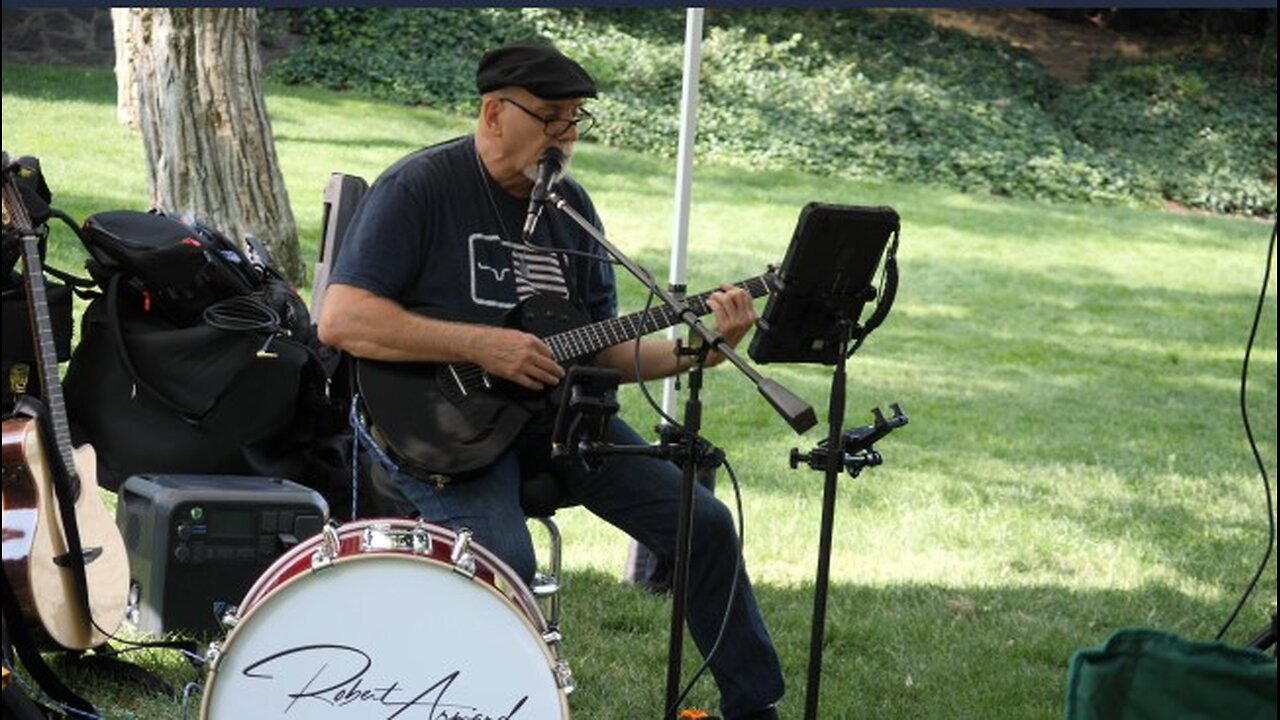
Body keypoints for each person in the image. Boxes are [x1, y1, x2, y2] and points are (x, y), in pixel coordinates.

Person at [317, 42, 784, 720]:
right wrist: (482, 344)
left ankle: (753, 708)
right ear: (493, 113)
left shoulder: (569, 206)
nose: (565, 136)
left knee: (702, 522)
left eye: (575, 119)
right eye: (550, 118)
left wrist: (697, 353)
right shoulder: (421, 188)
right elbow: (340, 319)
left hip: (557, 419)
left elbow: (602, 349)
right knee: (507, 559)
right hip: (434, 427)